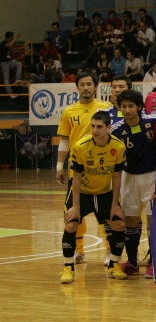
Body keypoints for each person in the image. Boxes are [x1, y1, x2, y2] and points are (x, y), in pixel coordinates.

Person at [59, 112, 127, 283]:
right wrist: (75, 207)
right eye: (93, 126)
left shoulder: (118, 147)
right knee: (71, 224)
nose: (95, 130)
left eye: (99, 127)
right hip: (82, 192)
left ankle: (114, 265)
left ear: (108, 128)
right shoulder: (82, 146)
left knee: (119, 223)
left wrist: (115, 205)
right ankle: (68, 268)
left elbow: (117, 177)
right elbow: (76, 177)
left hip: (104, 191)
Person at [56, 70, 115, 263]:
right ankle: (78, 251)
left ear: (96, 87)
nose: (86, 87)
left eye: (89, 84)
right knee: (74, 211)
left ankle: (109, 251)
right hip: (78, 169)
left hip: (103, 169)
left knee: (106, 213)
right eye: (82, 84)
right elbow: (65, 140)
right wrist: (59, 165)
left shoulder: (107, 109)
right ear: (77, 88)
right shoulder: (69, 111)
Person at [109, 89, 156, 276]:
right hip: (128, 178)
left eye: (131, 106)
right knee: (130, 220)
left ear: (139, 107)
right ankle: (132, 261)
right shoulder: (116, 130)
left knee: (152, 220)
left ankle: (154, 263)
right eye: (124, 107)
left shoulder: (153, 122)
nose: (127, 110)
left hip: (152, 177)